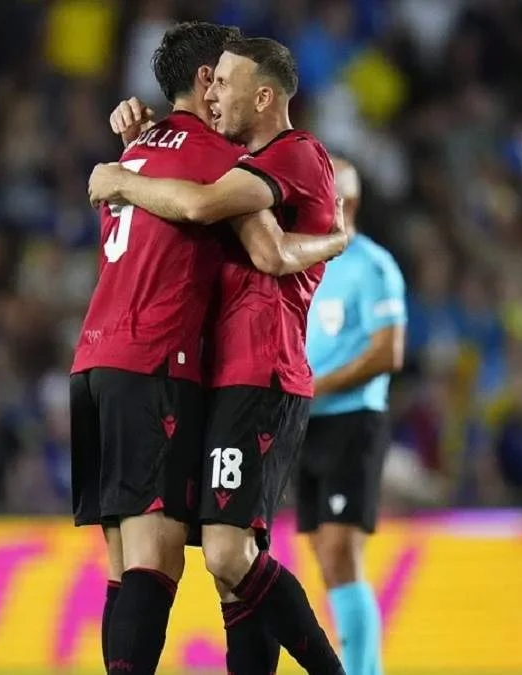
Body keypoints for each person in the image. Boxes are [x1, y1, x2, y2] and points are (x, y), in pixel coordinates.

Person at [72, 24, 347, 675]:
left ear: (262, 95)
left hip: (254, 372)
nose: (218, 93)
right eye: (214, 80)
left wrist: (122, 172)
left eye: (229, 82)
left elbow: (251, 241)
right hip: (193, 370)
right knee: (216, 565)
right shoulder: (209, 153)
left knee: (220, 556)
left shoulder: (289, 154)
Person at [300, 157, 406, 675]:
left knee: (341, 548)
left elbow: (388, 352)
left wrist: (314, 386)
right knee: (325, 553)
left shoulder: (372, 266)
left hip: (352, 418)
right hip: (304, 423)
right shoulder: (301, 261)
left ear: (348, 202)